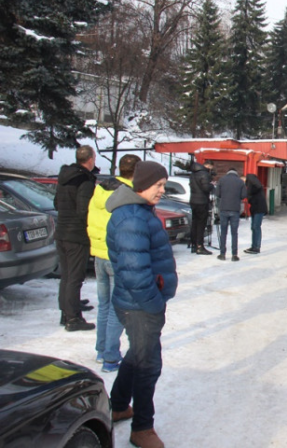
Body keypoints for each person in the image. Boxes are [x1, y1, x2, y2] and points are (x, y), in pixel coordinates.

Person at [106, 161, 178, 448]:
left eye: (163, 185)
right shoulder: (132, 218)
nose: (162, 190)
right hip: (139, 305)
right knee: (148, 365)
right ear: (142, 185)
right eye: (158, 185)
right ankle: (142, 428)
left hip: (140, 304)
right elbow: (134, 273)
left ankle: (119, 405)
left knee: (137, 356)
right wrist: (153, 304)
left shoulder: (140, 212)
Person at [87, 154, 140, 372]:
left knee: (104, 305)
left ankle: (101, 349)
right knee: (117, 308)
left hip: (99, 254)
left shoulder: (99, 189)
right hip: (116, 256)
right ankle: (110, 356)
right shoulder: (127, 194)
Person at [55, 145, 97, 331]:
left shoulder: (64, 177)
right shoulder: (85, 180)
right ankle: (73, 318)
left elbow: (56, 203)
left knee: (66, 276)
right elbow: (83, 210)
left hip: (62, 232)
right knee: (75, 277)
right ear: (91, 158)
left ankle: (66, 313)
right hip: (76, 234)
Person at [216, 168, 246, 261]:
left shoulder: (221, 180)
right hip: (235, 209)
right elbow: (244, 195)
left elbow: (217, 193)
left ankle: (222, 254)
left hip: (224, 208)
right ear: (236, 173)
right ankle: (234, 255)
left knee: (223, 232)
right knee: (234, 233)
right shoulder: (240, 182)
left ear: (227, 172)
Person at [189, 160, 214, 255]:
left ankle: (194, 245)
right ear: (208, 165)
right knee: (201, 224)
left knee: (195, 223)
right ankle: (200, 246)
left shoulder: (193, 174)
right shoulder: (204, 174)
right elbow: (206, 188)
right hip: (202, 201)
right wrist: (212, 185)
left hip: (193, 200)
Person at [245, 173, 267, 254]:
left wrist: (249, 194)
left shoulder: (252, 181)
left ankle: (256, 247)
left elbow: (257, 186)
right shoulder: (253, 186)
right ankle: (254, 246)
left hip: (259, 208)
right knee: (254, 227)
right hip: (255, 208)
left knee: (256, 227)